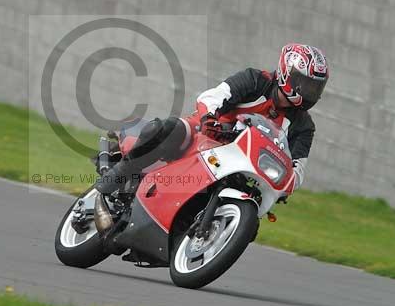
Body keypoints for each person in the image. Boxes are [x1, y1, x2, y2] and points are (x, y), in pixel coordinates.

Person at [93, 43, 329, 198]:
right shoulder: (255, 80)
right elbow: (214, 96)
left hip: (242, 165)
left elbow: (297, 171)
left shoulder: (303, 126)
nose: (309, 93)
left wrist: (283, 186)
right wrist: (209, 118)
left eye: (315, 88)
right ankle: (115, 178)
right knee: (170, 129)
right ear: (287, 74)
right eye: (305, 84)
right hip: (207, 136)